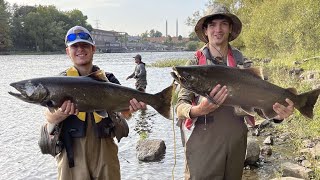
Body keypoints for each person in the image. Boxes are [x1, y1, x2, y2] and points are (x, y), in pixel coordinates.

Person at [175, 4, 295, 180]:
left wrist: (279, 115)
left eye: (223, 24)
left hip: (236, 142)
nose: (218, 29)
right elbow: (179, 107)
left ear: (230, 29)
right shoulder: (194, 63)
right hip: (203, 141)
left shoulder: (243, 62)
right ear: (205, 30)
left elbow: (260, 106)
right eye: (212, 25)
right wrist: (200, 110)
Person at [42, 26, 146, 180]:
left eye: (84, 45)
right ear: (67, 52)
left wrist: (132, 109)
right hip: (71, 151)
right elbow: (48, 117)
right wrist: (61, 113)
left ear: (93, 49)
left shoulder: (109, 80)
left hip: (105, 148)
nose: (80, 50)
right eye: (75, 46)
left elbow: (124, 115)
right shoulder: (59, 81)